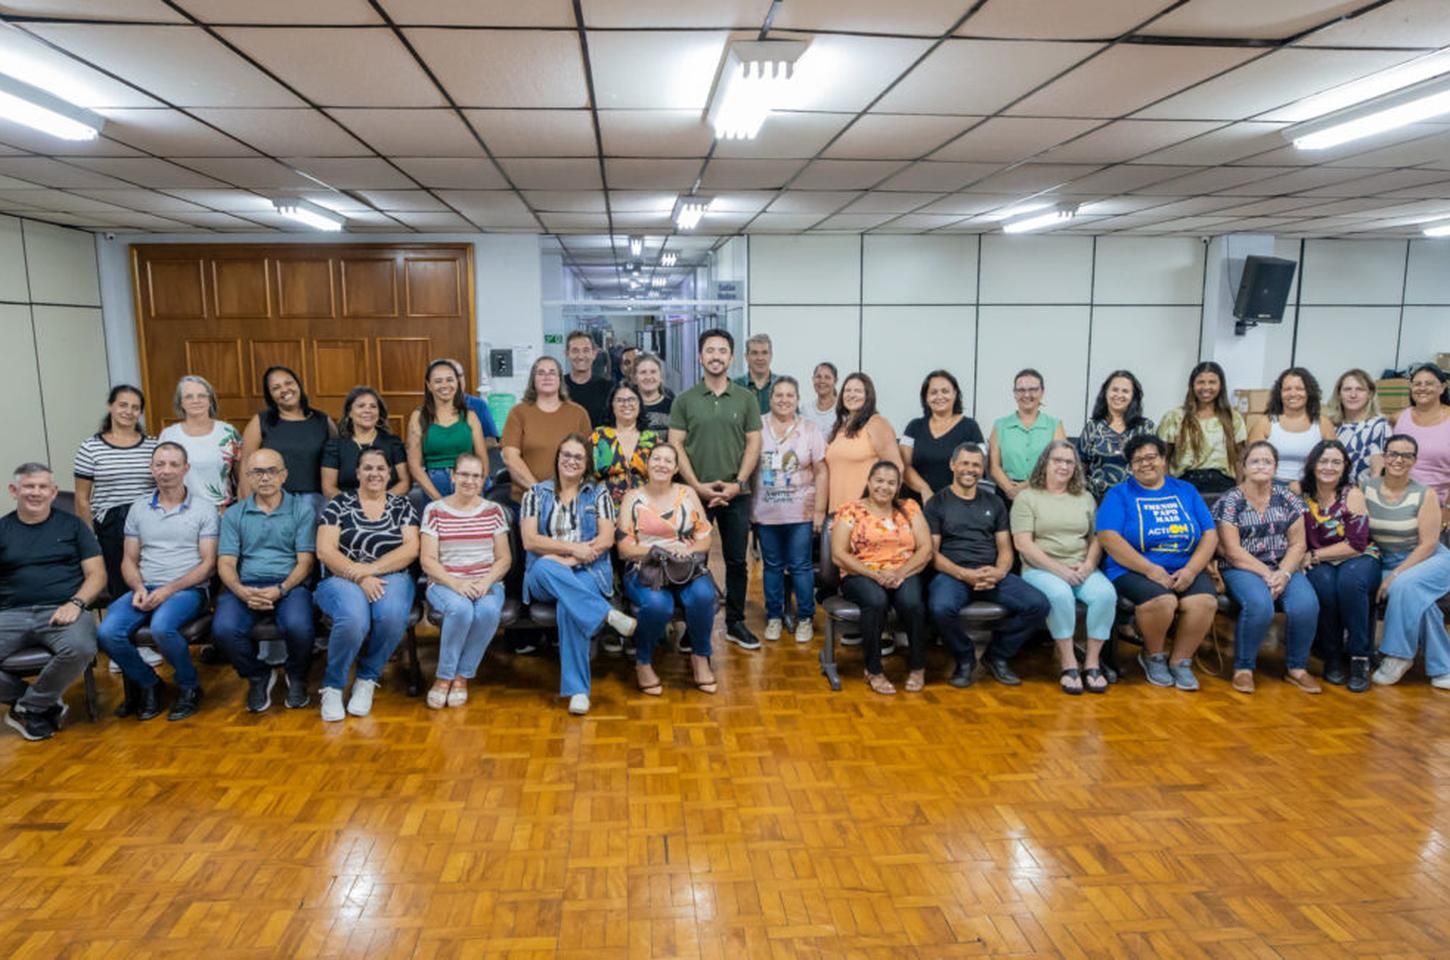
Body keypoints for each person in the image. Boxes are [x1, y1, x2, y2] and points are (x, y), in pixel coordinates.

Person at [97, 442, 218, 722]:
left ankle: (189, 686)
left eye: (174, 464)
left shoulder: (204, 509)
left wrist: (168, 590)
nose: (166, 471)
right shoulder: (138, 509)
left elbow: (208, 564)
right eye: (160, 464)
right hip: (145, 587)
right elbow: (128, 560)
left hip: (187, 589)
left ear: (185, 469)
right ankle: (149, 683)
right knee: (107, 632)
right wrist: (138, 587)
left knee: (163, 628)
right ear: (151, 468)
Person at [520, 435, 637, 716]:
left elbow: (607, 538)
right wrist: (572, 550)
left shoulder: (598, 494)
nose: (571, 461)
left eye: (578, 457)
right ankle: (607, 615)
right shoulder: (535, 493)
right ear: (557, 459)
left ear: (586, 464)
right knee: (547, 567)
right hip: (544, 575)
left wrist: (570, 560)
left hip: (587, 570)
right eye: (566, 455)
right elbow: (530, 541)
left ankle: (578, 691)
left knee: (568, 607)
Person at [1096, 434, 1218, 691]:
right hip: (1132, 568)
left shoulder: (1186, 490)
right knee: (1163, 600)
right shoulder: (1119, 494)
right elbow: (1108, 536)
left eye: (1151, 457)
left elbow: (1210, 534)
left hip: (1185, 565)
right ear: (1130, 466)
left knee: (1204, 601)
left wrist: (1193, 569)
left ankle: (1180, 661)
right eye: (1137, 460)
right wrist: (1150, 569)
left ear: (1163, 460)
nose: (1145, 464)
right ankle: (1153, 656)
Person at [926, 443, 1050, 689]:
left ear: (982, 469)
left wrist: (1000, 571)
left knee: (1038, 605)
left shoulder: (994, 502)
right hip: (953, 574)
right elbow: (932, 554)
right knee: (940, 608)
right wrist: (964, 574)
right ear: (952, 465)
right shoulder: (936, 503)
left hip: (991, 573)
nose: (970, 469)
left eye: (976, 465)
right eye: (964, 463)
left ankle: (997, 655)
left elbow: (1005, 547)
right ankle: (965, 658)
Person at [669, 328, 763, 651]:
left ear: (731, 357)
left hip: (737, 494)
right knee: (695, 560)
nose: (716, 356)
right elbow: (675, 444)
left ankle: (735, 623)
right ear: (700, 356)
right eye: (709, 350)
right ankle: (693, 624)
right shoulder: (685, 400)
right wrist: (696, 486)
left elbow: (754, 443)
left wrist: (738, 483)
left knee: (737, 561)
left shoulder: (746, 398)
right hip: (694, 494)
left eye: (722, 351)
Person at [314, 447, 420, 722]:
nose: (375, 473)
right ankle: (334, 685)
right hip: (341, 577)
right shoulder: (338, 504)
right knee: (353, 619)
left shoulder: (402, 505)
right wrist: (358, 576)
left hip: (392, 575)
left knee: (393, 615)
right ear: (358, 473)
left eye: (381, 468)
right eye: (368, 468)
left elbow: (410, 549)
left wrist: (370, 570)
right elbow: (326, 550)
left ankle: (366, 678)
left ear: (389, 473)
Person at [0, 463, 105, 741]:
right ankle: (37, 703)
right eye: (29, 486)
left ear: (53, 491)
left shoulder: (73, 526)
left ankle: (28, 708)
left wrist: (77, 603)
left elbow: (97, 575)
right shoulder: (3, 529)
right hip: (10, 613)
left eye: (43, 486)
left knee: (81, 647)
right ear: (14, 491)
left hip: (63, 609)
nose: (36, 492)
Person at [212, 449, 317, 713]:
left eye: (271, 471)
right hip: (245, 584)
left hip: (289, 583)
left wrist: (281, 589)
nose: (265, 478)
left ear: (284, 475)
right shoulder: (234, 514)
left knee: (299, 626)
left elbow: (305, 562)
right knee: (223, 630)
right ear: (247, 477)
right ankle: (257, 675)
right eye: (257, 472)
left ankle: (297, 676)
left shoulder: (301, 511)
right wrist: (241, 591)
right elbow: (225, 563)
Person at [1213, 441, 1320, 694]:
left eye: (1267, 461)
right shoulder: (1230, 502)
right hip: (1242, 567)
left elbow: (1297, 544)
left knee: (1306, 604)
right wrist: (1267, 574)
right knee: (1260, 605)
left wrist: (1283, 572)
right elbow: (1232, 551)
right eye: (1255, 461)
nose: (1261, 466)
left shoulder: (1288, 498)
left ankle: (1297, 668)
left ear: (1275, 467)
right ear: (1243, 467)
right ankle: (1244, 668)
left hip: (1283, 564)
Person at [1010, 442, 1116, 695]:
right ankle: (1069, 662)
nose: (1064, 466)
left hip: (1081, 567)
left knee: (1106, 595)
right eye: (1057, 460)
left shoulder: (1085, 497)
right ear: (1045, 463)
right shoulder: (1028, 497)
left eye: (1069, 462)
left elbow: (1097, 538)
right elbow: (1023, 544)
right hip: (1041, 568)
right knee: (1061, 595)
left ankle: (1091, 663)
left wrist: (1089, 565)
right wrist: (1060, 570)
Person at [619, 444, 719, 695]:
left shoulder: (687, 493)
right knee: (658, 605)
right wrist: (656, 552)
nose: (661, 464)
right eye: (656, 459)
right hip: (645, 568)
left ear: (676, 468)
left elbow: (705, 537)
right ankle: (643, 661)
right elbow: (624, 549)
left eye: (668, 461)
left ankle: (700, 657)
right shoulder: (632, 497)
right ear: (647, 464)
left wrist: (690, 550)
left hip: (684, 566)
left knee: (704, 596)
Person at [420, 453, 511, 710]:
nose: (469, 481)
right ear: (453, 476)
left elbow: (504, 559)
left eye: (476, 476)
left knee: (487, 612)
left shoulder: (494, 511)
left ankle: (461, 677)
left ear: (483, 480)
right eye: (464, 474)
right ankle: (443, 677)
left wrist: (485, 583)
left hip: (486, 581)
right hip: (445, 582)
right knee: (460, 609)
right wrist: (457, 585)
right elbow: (428, 561)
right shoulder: (434, 510)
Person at [831, 461, 932, 694]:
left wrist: (899, 573)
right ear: (869, 482)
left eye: (891, 482)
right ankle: (874, 670)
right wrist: (875, 575)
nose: (884, 487)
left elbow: (925, 548)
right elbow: (838, 554)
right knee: (875, 601)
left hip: (904, 571)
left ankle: (918, 667)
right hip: (860, 572)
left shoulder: (910, 507)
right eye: (879, 480)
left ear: (897, 487)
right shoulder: (850, 510)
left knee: (912, 603)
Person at [1365, 434, 1450, 689]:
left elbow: (1428, 544)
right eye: (1393, 454)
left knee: (1403, 587)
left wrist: (1395, 575)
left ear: (1414, 460)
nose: (1398, 460)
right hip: (1386, 560)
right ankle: (1442, 667)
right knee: (1422, 604)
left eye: (1406, 455)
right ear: (1385, 456)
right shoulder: (1366, 489)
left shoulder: (1425, 495)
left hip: (1429, 560)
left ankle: (1397, 655)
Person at [1299, 440, 1380, 693]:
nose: (1329, 467)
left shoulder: (1352, 494)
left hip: (1359, 557)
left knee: (1349, 583)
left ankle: (1359, 658)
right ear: (1313, 464)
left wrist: (1313, 555)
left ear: (1345, 466)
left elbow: (1356, 544)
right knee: (1323, 585)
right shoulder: (1300, 494)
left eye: (1336, 462)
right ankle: (1331, 655)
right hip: (1320, 561)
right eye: (1323, 461)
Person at [753, 377, 827, 645]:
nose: (784, 400)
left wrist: (819, 510)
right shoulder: (757, 426)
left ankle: (805, 618)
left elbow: (821, 470)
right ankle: (774, 616)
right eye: (779, 395)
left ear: (797, 399)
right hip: (766, 511)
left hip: (801, 512)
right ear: (770, 398)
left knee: (800, 566)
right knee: (772, 566)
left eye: (790, 395)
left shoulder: (810, 428)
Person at [73, 384, 157, 600]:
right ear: (110, 406)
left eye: (135, 407)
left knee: (151, 579)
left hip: (148, 521)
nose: (128, 411)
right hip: (111, 525)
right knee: (121, 587)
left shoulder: (153, 446)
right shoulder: (90, 447)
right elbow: (82, 498)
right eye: (122, 405)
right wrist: (89, 537)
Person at [238, 365, 335, 512]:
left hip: (317, 504)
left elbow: (337, 462)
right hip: (273, 502)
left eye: (288, 383)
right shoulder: (260, 422)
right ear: (270, 395)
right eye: (276, 387)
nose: (284, 390)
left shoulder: (322, 421)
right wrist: (248, 509)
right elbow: (246, 465)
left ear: (298, 385)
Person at [501, 356, 592, 507]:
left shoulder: (578, 413)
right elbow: (510, 458)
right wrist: (540, 492)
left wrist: (567, 496)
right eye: (541, 373)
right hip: (528, 499)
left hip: (572, 502)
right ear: (533, 380)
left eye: (552, 372)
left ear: (559, 379)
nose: (547, 377)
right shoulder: (518, 413)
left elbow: (588, 459)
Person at [1157, 360, 1246, 497]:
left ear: (1221, 385)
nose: (1206, 387)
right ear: (1192, 385)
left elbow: (1240, 459)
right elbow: (1163, 458)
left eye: (1212, 382)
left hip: (1223, 487)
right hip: (1184, 485)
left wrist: (1241, 492)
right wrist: (1167, 490)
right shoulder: (1175, 417)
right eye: (1201, 382)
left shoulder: (1233, 417)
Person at [407, 359, 488, 505]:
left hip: (468, 482)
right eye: (438, 381)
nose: (445, 385)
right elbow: (414, 464)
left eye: (450, 380)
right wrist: (438, 500)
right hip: (434, 485)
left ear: (457, 383)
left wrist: (476, 490)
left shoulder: (470, 416)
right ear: (429, 386)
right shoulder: (418, 417)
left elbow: (482, 459)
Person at [158, 375, 242, 511]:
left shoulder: (228, 432)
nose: (196, 401)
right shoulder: (169, 435)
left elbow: (241, 476)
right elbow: (161, 477)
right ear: (181, 403)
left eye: (202, 396)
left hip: (222, 512)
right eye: (189, 396)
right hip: (181, 512)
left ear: (210, 400)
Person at [900, 369, 984, 501]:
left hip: (956, 504)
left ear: (955, 394)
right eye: (933, 392)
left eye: (945, 391)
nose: (939, 397)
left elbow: (980, 466)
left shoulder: (970, 427)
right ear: (926, 398)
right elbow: (903, 465)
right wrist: (924, 490)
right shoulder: (914, 427)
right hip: (917, 503)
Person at [825, 372, 901, 516]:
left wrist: (885, 509)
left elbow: (897, 468)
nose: (852, 394)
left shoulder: (877, 423)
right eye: (847, 390)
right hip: (838, 512)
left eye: (858, 391)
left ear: (868, 395)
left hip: (867, 514)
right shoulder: (840, 427)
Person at [989, 368, 1067, 502]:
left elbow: (1059, 465)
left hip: (1044, 493)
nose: (1026, 394)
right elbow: (993, 466)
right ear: (1014, 393)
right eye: (1021, 390)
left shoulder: (1054, 425)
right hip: (1006, 494)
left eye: (1033, 389)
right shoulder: (1000, 425)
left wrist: (1026, 486)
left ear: (1042, 392)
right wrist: (1010, 489)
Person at [1248, 367, 1335, 484]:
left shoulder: (1323, 424)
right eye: (1287, 389)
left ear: (1309, 392)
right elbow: (1252, 463)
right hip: (1268, 486)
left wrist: (1304, 486)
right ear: (1279, 393)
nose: (1293, 394)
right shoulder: (1265, 423)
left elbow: (1334, 461)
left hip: (1312, 487)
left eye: (1299, 389)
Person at [1079, 370, 1156, 500]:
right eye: (1114, 390)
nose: (1119, 395)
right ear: (1106, 393)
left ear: (1133, 396)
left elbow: (1154, 466)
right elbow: (1081, 465)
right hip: (1098, 500)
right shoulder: (1092, 427)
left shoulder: (1145, 427)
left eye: (1125, 391)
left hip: (1136, 499)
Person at [321, 386, 410, 497]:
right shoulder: (335, 446)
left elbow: (405, 482)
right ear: (349, 413)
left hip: (389, 507)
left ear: (379, 413)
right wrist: (356, 505)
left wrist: (382, 502)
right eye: (361, 406)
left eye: (373, 406)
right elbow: (328, 488)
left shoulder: (393, 443)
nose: (367, 410)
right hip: (347, 508)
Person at [1394, 364, 1450, 525]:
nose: (1422, 388)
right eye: (1417, 384)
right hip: (1399, 505)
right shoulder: (1399, 418)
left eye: (1429, 383)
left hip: (1438, 506)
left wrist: (1447, 510)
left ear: (1442, 388)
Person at [590, 381, 660, 508]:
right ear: (612, 405)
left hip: (645, 509)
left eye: (631, 399)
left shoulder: (652, 439)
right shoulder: (598, 436)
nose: (626, 404)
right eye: (620, 400)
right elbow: (586, 475)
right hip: (604, 510)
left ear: (639, 404)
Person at [1325, 369, 1388, 484]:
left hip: (1362, 496)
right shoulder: (1332, 425)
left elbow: (1377, 475)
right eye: (1347, 389)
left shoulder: (1378, 425)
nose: (1353, 395)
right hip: (1331, 493)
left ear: (1370, 394)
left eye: (1360, 389)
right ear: (1339, 394)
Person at [446, 357, 501, 450]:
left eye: (460, 375)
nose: (458, 381)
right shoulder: (429, 409)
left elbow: (491, 442)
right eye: (451, 378)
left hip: (470, 460)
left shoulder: (478, 405)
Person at [564, 330, 613, 428]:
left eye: (586, 350)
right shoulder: (558, 386)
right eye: (575, 351)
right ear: (567, 354)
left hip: (599, 442)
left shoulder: (608, 388)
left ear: (594, 354)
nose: (581, 356)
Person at [733, 333, 780, 416]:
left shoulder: (782, 385)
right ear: (746, 357)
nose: (760, 358)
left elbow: (795, 421)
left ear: (771, 356)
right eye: (754, 353)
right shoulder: (734, 387)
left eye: (764, 353)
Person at [634, 352, 675, 433]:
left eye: (653, 372)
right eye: (643, 372)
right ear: (635, 378)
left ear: (661, 376)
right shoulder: (628, 407)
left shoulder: (674, 407)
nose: (648, 377)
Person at [805, 361, 839, 436]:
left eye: (827, 377)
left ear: (835, 381)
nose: (822, 381)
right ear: (813, 379)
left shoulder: (843, 409)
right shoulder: (805, 410)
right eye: (818, 377)